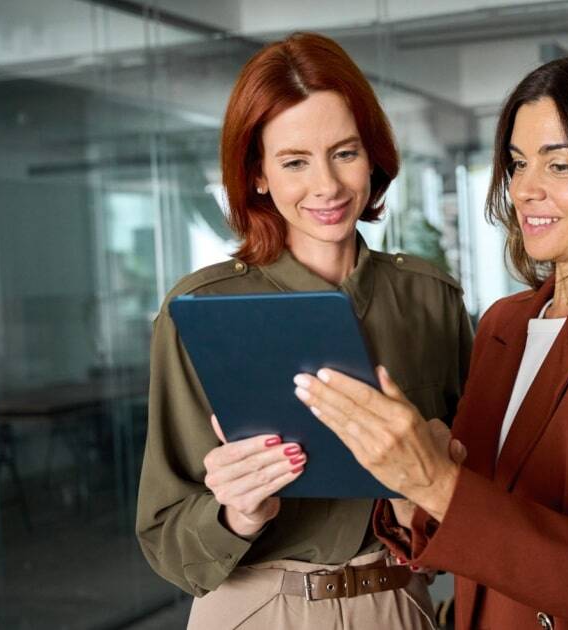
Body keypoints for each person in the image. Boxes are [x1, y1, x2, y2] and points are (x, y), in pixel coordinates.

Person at [296, 52, 568, 629]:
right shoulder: (504, 324)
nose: (525, 189)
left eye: (558, 166)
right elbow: (476, 530)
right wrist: (408, 484)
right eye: (517, 164)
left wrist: (434, 481)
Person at [135, 32, 472, 629]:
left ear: (372, 156)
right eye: (294, 161)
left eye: (345, 153)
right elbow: (165, 535)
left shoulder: (429, 298)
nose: (328, 186)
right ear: (258, 175)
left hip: (397, 603)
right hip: (255, 608)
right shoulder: (200, 310)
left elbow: (479, 503)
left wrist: (427, 474)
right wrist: (237, 513)